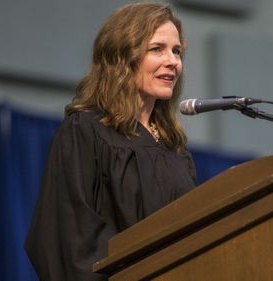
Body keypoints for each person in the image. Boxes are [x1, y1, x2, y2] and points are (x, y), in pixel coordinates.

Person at [25, 3, 197, 280]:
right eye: (157, 49)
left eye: (177, 51)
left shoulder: (174, 148)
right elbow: (71, 239)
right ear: (122, 56)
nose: (173, 61)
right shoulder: (86, 131)